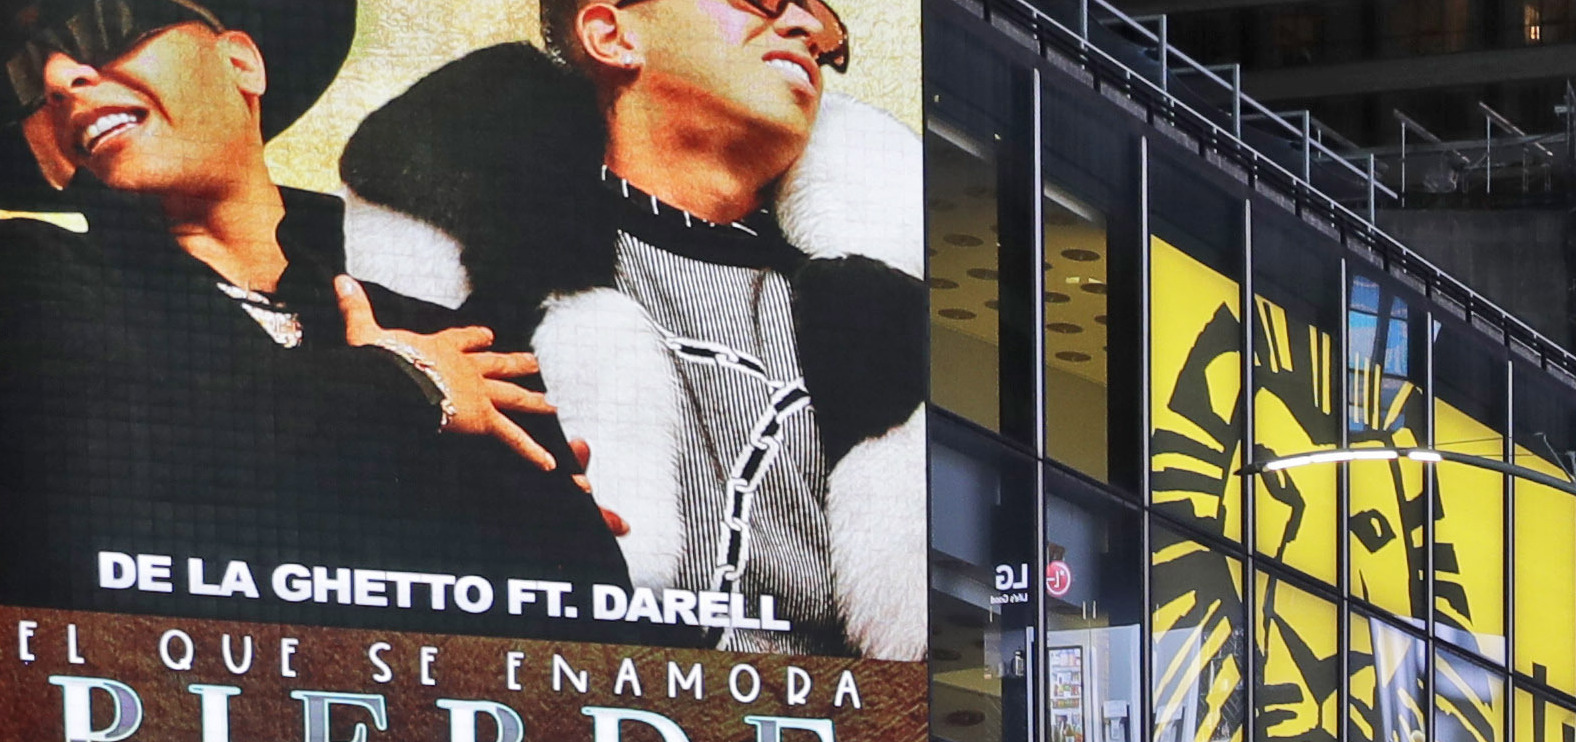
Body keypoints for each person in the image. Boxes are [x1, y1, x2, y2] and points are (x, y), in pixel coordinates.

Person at [0, 0, 634, 614]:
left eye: (103, 25)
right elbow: (101, 471)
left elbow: (572, 594)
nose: (60, 77)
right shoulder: (24, 280)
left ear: (241, 62)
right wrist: (406, 388)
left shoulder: (447, 323)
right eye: (24, 72)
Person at [337, 0, 927, 656]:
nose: (810, 32)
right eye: (760, 1)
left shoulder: (873, 317)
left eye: (827, 26)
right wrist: (384, 396)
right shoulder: (461, 271)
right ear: (612, 35)